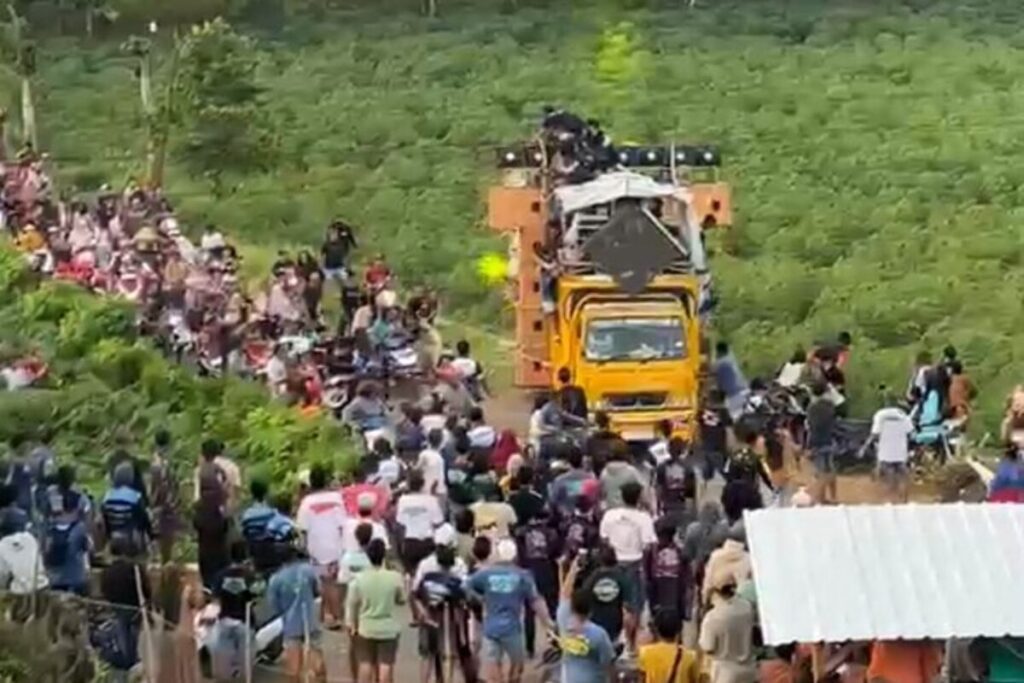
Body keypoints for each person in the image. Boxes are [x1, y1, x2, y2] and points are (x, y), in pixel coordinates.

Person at [467, 538, 553, 683]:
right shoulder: (523, 576)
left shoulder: (486, 574)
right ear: (515, 555)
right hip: (512, 629)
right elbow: (536, 601)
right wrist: (548, 622)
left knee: (493, 665)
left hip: (491, 628)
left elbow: (466, 586)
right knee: (517, 665)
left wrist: (479, 599)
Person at [599, 480, 654, 646]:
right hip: (634, 564)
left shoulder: (610, 515)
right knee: (634, 606)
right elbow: (648, 545)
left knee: (612, 601)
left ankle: (615, 639)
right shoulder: (644, 518)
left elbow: (604, 538)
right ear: (639, 498)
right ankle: (630, 644)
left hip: (612, 563)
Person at [414, 541, 476, 683]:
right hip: (432, 614)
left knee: (447, 652)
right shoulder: (427, 566)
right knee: (429, 653)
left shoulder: (458, 565)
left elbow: (465, 590)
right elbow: (416, 593)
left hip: (451, 615)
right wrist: (422, 612)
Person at [347, 538, 405, 683]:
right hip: (388, 628)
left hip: (366, 627)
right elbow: (402, 599)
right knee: (385, 664)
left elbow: (352, 604)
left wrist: (352, 625)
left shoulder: (359, 579)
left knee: (365, 663)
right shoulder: (394, 577)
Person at [296, 464, 347, 629]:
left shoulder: (306, 502)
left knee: (326, 583)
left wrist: (303, 547)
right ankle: (328, 614)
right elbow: (342, 524)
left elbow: (302, 528)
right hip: (336, 545)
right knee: (332, 582)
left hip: (317, 548)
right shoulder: (336, 498)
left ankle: (336, 616)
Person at [267, 539, 325, 683]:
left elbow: (274, 606)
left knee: (293, 668)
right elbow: (318, 590)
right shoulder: (307, 570)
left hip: (290, 624)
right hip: (310, 621)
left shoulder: (276, 579)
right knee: (317, 664)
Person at [556, 557, 616, 683]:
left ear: (572, 607)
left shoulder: (563, 620)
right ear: (591, 611)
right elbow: (609, 665)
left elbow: (564, 594)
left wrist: (573, 570)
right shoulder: (598, 634)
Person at [516, 505, 560, 659]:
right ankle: (555, 641)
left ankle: (529, 647)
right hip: (546, 571)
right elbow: (555, 552)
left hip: (528, 572)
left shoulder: (521, 532)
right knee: (552, 608)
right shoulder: (551, 533)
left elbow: (520, 556)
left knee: (529, 611)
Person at [699, 580, 757, 683]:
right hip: (749, 671)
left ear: (715, 592)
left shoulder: (713, 617)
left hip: (724, 674)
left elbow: (708, 647)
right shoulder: (747, 607)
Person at [396, 470, 445, 579]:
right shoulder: (431, 500)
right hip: (427, 542)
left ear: (408, 484)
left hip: (410, 542)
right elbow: (439, 522)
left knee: (410, 575)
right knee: (428, 576)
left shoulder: (402, 500)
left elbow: (400, 523)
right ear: (423, 484)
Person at [580, 544, 631, 647]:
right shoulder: (621, 576)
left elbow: (583, 595)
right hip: (615, 621)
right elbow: (627, 603)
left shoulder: (593, 577)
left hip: (595, 620)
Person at [43, 487, 91, 596]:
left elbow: (44, 550)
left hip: (54, 579)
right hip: (75, 579)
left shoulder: (49, 528)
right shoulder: (79, 529)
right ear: (75, 509)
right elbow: (88, 548)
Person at [867, 395, 915, 503]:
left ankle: (891, 499)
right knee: (903, 475)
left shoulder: (880, 415)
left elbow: (875, 434)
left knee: (888, 475)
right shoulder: (902, 414)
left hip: (885, 451)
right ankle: (904, 499)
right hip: (900, 451)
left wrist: (865, 446)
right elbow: (911, 432)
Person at [102, 461, 153, 557]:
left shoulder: (107, 496)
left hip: (114, 538)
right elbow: (143, 520)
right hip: (132, 540)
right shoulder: (135, 496)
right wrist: (151, 535)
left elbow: (105, 520)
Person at [639, 609, 699, 683]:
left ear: (657, 630)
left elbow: (642, 679)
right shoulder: (689, 656)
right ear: (678, 631)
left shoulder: (645, 653)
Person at [805, 382, 838, 504]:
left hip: (816, 441)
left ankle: (820, 498)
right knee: (830, 469)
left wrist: (808, 446)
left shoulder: (811, 408)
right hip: (828, 439)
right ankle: (833, 497)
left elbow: (811, 427)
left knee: (819, 472)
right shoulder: (830, 405)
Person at [194, 488, 231, 591]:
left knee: (207, 583)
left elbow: (196, 525)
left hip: (205, 552)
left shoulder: (200, 511)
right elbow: (225, 528)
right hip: (220, 553)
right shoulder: (219, 512)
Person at [550, 445, 598, 521]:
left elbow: (553, 502)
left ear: (567, 461)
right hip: (587, 521)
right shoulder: (592, 479)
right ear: (582, 460)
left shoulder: (560, 481)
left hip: (565, 521)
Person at [656, 437, 697, 525]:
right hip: (680, 507)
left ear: (668, 450)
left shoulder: (662, 467)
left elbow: (659, 490)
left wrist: (658, 507)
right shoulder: (688, 468)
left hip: (669, 506)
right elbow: (691, 493)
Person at [600, 440, 649, 510]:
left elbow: (602, 495)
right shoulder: (631, 471)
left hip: (610, 511)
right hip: (628, 510)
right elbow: (644, 493)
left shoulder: (604, 473)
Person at [700, 389, 734, 479]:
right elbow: (729, 429)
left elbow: (698, 426)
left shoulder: (702, 411)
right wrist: (730, 446)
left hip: (706, 445)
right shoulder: (723, 412)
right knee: (726, 471)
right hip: (719, 446)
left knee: (707, 472)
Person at [713, 342, 749, 419]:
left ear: (719, 351)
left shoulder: (720, 363)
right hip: (744, 391)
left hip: (734, 395)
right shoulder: (731, 360)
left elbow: (722, 384)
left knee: (736, 418)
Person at [418, 429, 448, 500]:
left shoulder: (424, 454)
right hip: (440, 490)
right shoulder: (441, 456)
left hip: (427, 489)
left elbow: (418, 470)